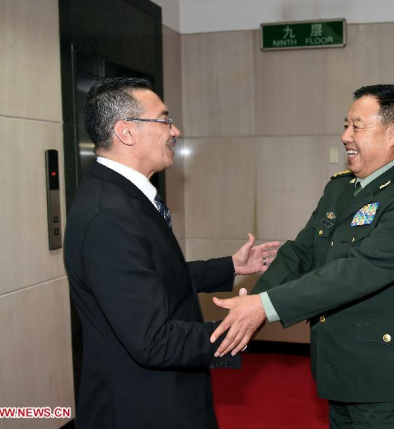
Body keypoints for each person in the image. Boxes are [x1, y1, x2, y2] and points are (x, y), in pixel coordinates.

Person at [210, 84, 394, 428]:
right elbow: (303, 250)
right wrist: (257, 299)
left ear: (393, 132)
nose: (344, 136)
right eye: (345, 125)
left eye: (356, 126)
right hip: (341, 367)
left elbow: (360, 270)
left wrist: (267, 306)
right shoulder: (340, 188)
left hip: (391, 377)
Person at [64, 77, 278, 429]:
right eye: (164, 120)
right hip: (143, 409)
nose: (175, 130)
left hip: (161, 395)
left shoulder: (121, 195)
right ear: (126, 132)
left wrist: (232, 267)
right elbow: (152, 340)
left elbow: (153, 276)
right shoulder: (111, 216)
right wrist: (238, 328)